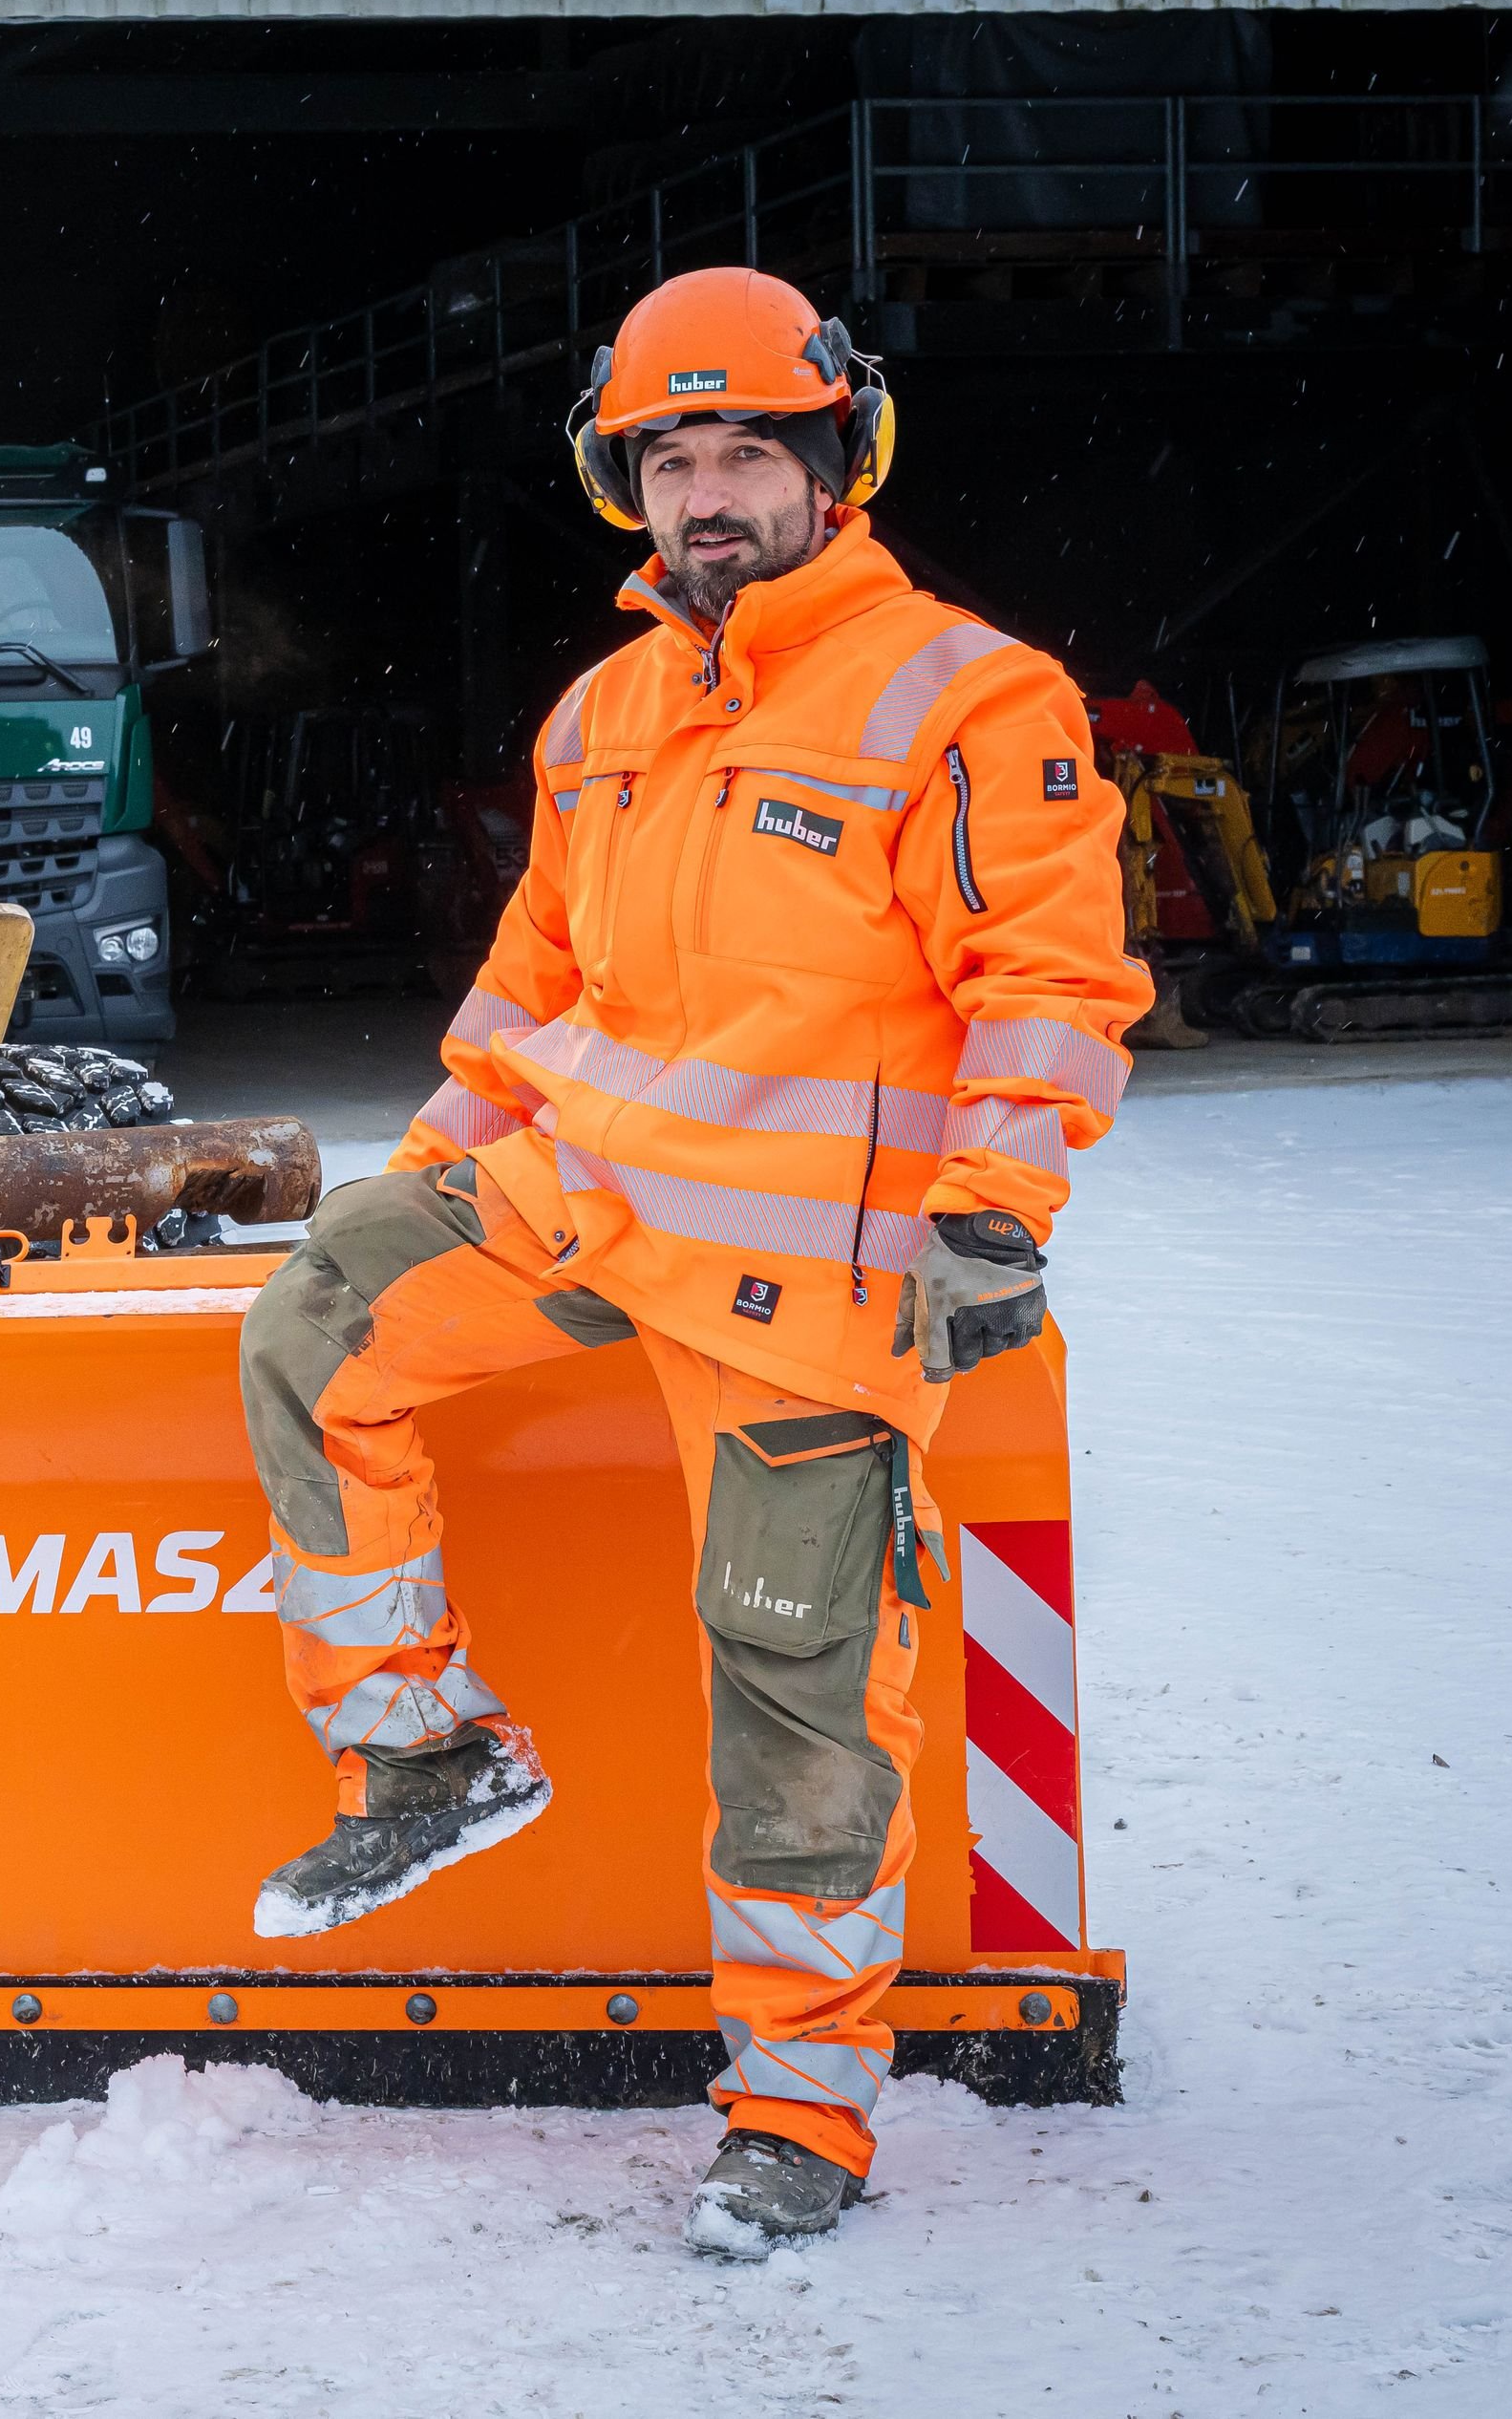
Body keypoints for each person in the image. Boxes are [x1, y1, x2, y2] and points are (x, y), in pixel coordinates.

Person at [230, 267, 1148, 2257]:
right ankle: (422, 1748)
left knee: (799, 1698)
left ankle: (798, 2115)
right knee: (320, 1316)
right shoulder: (599, 714)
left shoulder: (964, 695)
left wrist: (996, 1203)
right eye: (666, 454)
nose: (702, 492)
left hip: (810, 1282)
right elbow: (526, 986)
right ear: (618, 477)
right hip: (588, 1203)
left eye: (742, 449)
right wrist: (414, 1176)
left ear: (834, 462)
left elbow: (1050, 982)